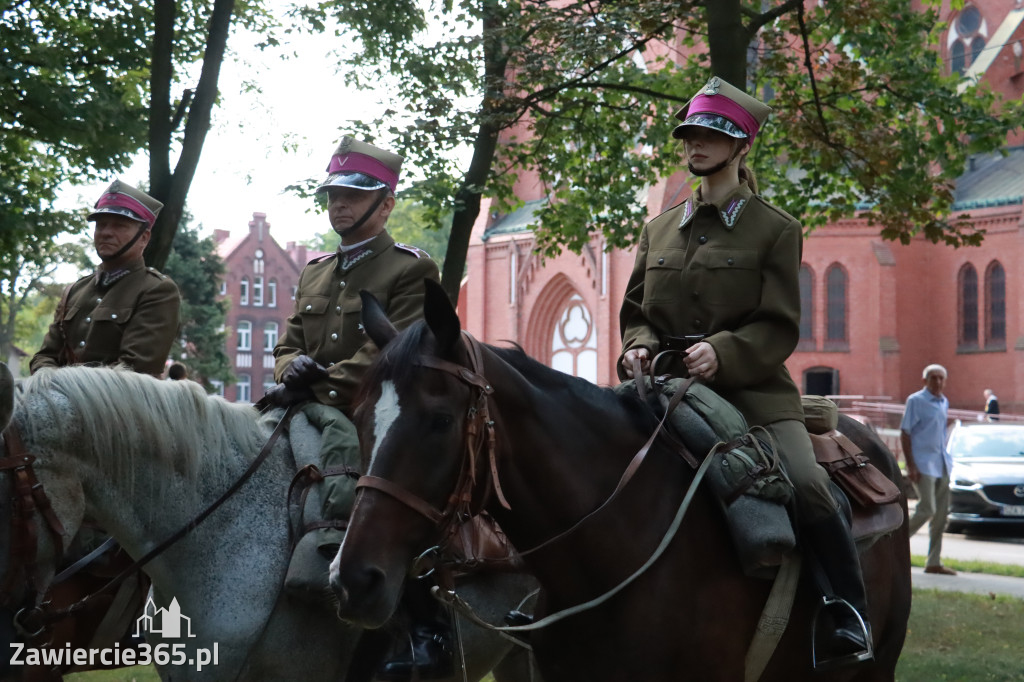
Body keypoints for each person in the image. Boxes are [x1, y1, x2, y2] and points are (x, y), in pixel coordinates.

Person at [618, 76, 872, 669]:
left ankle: (845, 609)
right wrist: (637, 345)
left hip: (752, 390)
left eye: (712, 134)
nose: (696, 144)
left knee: (809, 486)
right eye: (690, 134)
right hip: (659, 383)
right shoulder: (659, 227)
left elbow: (779, 325)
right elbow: (636, 310)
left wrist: (723, 352)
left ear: (741, 146)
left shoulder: (774, 228)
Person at [263, 136, 449, 680]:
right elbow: (288, 343)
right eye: (333, 194)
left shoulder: (410, 269)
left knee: (395, 499)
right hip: (307, 403)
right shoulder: (315, 271)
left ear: (385, 203)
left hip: (378, 415)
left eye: (352, 194)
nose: (338, 204)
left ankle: (421, 622)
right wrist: (289, 369)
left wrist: (315, 387)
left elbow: (395, 352)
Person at [31, 179, 181, 377]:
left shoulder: (157, 291)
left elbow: (134, 371)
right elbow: (45, 357)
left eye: (119, 225)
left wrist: (65, 387)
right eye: (101, 225)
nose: (106, 233)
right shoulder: (75, 291)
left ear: (144, 237)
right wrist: (49, 385)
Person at [901, 365, 955, 575]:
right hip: (922, 464)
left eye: (941, 378)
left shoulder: (944, 402)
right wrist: (911, 465)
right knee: (927, 509)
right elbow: (905, 433)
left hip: (941, 463)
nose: (938, 382)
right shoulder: (916, 401)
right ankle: (893, 545)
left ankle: (933, 562)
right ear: (925, 381)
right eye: (933, 378)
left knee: (940, 516)